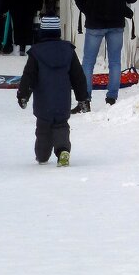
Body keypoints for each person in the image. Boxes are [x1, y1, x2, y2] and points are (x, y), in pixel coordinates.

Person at [70, 0, 139, 108]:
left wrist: (87, 9)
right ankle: (112, 99)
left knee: (88, 61)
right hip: (116, 23)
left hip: (95, 22)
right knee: (115, 61)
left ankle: (84, 100)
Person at [16, 13, 90, 167]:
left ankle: (42, 156)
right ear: (58, 32)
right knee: (61, 125)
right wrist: (83, 98)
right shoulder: (68, 51)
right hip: (62, 99)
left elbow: (28, 76)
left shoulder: (36, 53)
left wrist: (23, 95)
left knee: (43, 128)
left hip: (43, 100)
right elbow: (78, 77)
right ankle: (63, 150)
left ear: (41, 32)